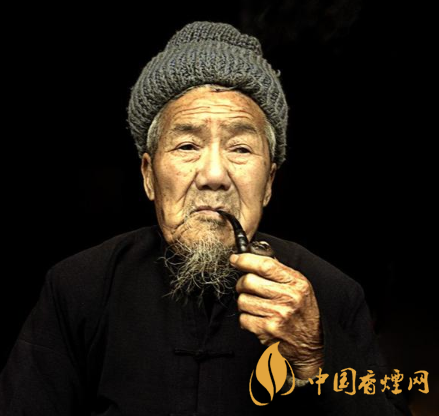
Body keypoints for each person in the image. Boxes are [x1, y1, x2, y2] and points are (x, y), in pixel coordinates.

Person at [0, 21, 412, 415]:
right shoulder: (79, 288)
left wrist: (313, 353)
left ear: (269, 182)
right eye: (187, 146)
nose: (214, 175)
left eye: (241, 148)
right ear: (148, 175)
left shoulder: (329, 294)